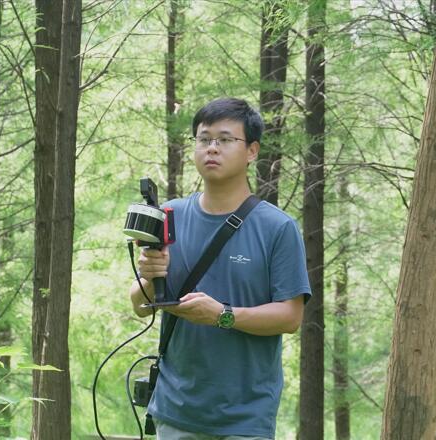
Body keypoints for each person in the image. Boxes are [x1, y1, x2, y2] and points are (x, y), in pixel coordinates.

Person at [129, 97, 311, 439]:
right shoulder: (169, 216)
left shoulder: (277, 227)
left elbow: (290, 317)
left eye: (225, 139)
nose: (212, 148)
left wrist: (222, 315)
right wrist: (150, 277)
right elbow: (140, 305)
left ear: (252, 151)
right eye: (204, 139)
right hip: (175, 411)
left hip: (245, 418)